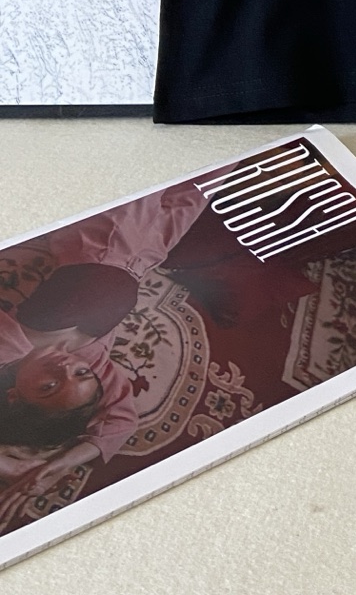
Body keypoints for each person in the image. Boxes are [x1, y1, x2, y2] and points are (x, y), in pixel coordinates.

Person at [0, 184, 207, 528]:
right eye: (80, 376)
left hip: (104, 231)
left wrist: (6, 464)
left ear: (13, 395)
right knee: (209, 175)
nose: (65, 368)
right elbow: (121, 422)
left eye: (48, 386)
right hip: (153, 249)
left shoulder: (9, 345)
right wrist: (62, 463)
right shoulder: (93, 360)